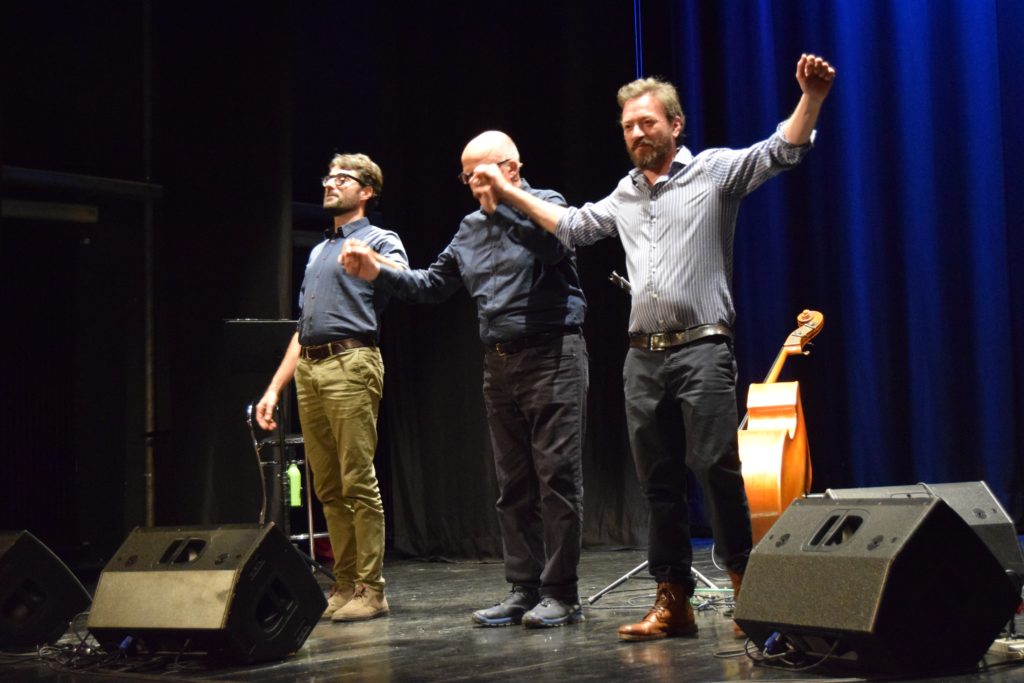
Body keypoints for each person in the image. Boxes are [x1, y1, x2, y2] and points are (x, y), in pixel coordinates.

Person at [471, 54, 836, 641]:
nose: (637, 133)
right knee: (657, 483)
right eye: (628, 127)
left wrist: (810, 99)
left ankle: (748, 591)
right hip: (642, 356)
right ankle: (673, 600)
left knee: (716, 470)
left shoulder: (713, 172)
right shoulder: (625, 193)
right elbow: (572, 227)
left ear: (675, 125)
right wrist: (512, 193)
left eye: (647, 122)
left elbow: (780, 150)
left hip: (703, 348)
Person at [341, 131, 589, 628]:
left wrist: (504, 208)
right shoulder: (469, 227)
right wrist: (377, 272)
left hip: (552, 354)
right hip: (499, 362)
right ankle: (524, 588)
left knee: (556, 479)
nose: (474, 183)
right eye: (467, 176)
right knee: (512, 485)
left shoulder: (548, 205)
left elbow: (550, 248)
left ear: (511, 169)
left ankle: (561, 592)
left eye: (483, 173)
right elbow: (433, 284)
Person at [256, 153, 408, 622]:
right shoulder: (319, 251)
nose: (330, 183)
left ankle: (372, 589)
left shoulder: (380, 239)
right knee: (326, 485)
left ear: (367, 191)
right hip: (311, 368)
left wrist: (371, 261)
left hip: (351, 362)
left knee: (357, 479)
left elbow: (407, 279)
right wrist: (274, 389)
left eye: (343, 178)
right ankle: (344, 584)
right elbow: (303, 327)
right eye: (328, 176)